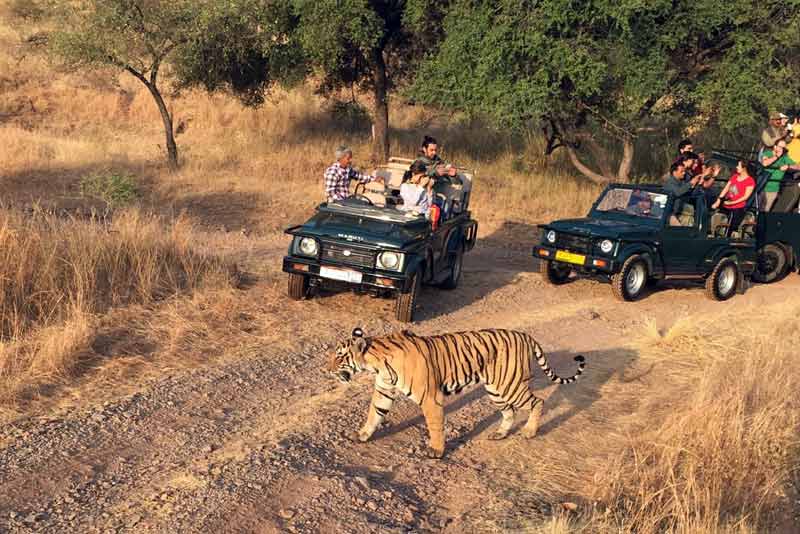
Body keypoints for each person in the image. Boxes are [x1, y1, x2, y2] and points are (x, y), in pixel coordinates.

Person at [712, 160, 756, 237]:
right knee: (716, 217)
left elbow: (745, 197)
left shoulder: (750, 181)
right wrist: (718, 201)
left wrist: (732, 203)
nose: (736, 167)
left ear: (744, 168)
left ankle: (727, 236)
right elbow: (726, 189)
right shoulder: (734, 176)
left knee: (731, 223)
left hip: (737, 207)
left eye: (738, 166)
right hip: (727, 203)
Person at [761, 139, 800, 211]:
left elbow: (798, 166)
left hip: (773, 190)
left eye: (784, 148)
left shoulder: (785, 158)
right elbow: (765, 163)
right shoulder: (768, 153)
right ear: (775, 146)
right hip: (761, 187)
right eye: (780, 147)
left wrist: (788, 166)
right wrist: (777, 156)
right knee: (753, 209)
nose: (782, 149)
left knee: (764, 211)